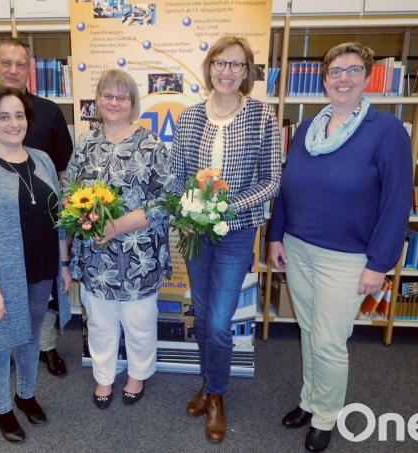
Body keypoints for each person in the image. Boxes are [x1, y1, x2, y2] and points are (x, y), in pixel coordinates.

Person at [266, 42, 412, 452]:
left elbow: (397, 201)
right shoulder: (308, 129)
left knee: (329, 341)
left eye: (353, 70)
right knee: (310, 331)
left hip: (347, 258)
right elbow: (288, 187)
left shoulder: (386, 131)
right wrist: (276, 235)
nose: (343, 78)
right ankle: (310, 401)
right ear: (324, 79)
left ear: (368, 78)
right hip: (299, 248)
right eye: (335, 71)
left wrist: (379, 263)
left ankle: (325, 417)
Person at [171, 35, 281, 443]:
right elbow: (178, 176)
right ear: (210, 68)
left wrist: (226, 207)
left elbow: (271, 180)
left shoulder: (262, 116)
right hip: (196, 233)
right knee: (202, 316)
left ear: (247, 71)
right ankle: (209, 382)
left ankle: (216, 394)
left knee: (218, 322)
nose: (227, 71)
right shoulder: (190, 117)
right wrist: (188, 210)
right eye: (220, 63)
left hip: (236, 232)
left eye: (237, 64)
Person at [0, 87, 72, 443]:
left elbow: (59, 216)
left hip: (41, 268)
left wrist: (64, 265)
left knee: (31, 336)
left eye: (19, 115)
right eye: (4, 116)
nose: (13, 123)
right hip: (2, 275)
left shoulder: (42, 159)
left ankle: (25, 394)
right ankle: (2, 408)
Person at [64, 69, 173, 409]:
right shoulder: (85, 143)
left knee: (139, 323)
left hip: (139, 255)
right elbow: (69, 193)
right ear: (98, 100)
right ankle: (104, 377)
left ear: (132, 103)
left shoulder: (150, 144)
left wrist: (118, 225)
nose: (114, 102)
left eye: (121, 97)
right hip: (96, 257)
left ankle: (138, 374)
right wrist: (84, 221)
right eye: (107, 95)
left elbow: (165, 200)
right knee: (99, 323)